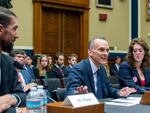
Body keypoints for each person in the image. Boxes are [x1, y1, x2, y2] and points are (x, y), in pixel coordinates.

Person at [66, 37, 136, 99]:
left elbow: (109, 89)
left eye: (107, 50)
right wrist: (77, 95)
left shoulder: (102, 69)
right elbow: (71, 91)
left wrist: (119, 93)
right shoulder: (79, 68)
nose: (106, 53)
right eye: (101, 50)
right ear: (90, 52)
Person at [0, 6, 26, 112]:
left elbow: (22, 95)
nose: (17, 35)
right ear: (0, 29)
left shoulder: (9, 62)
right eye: (14, 29)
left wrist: (10, 99)